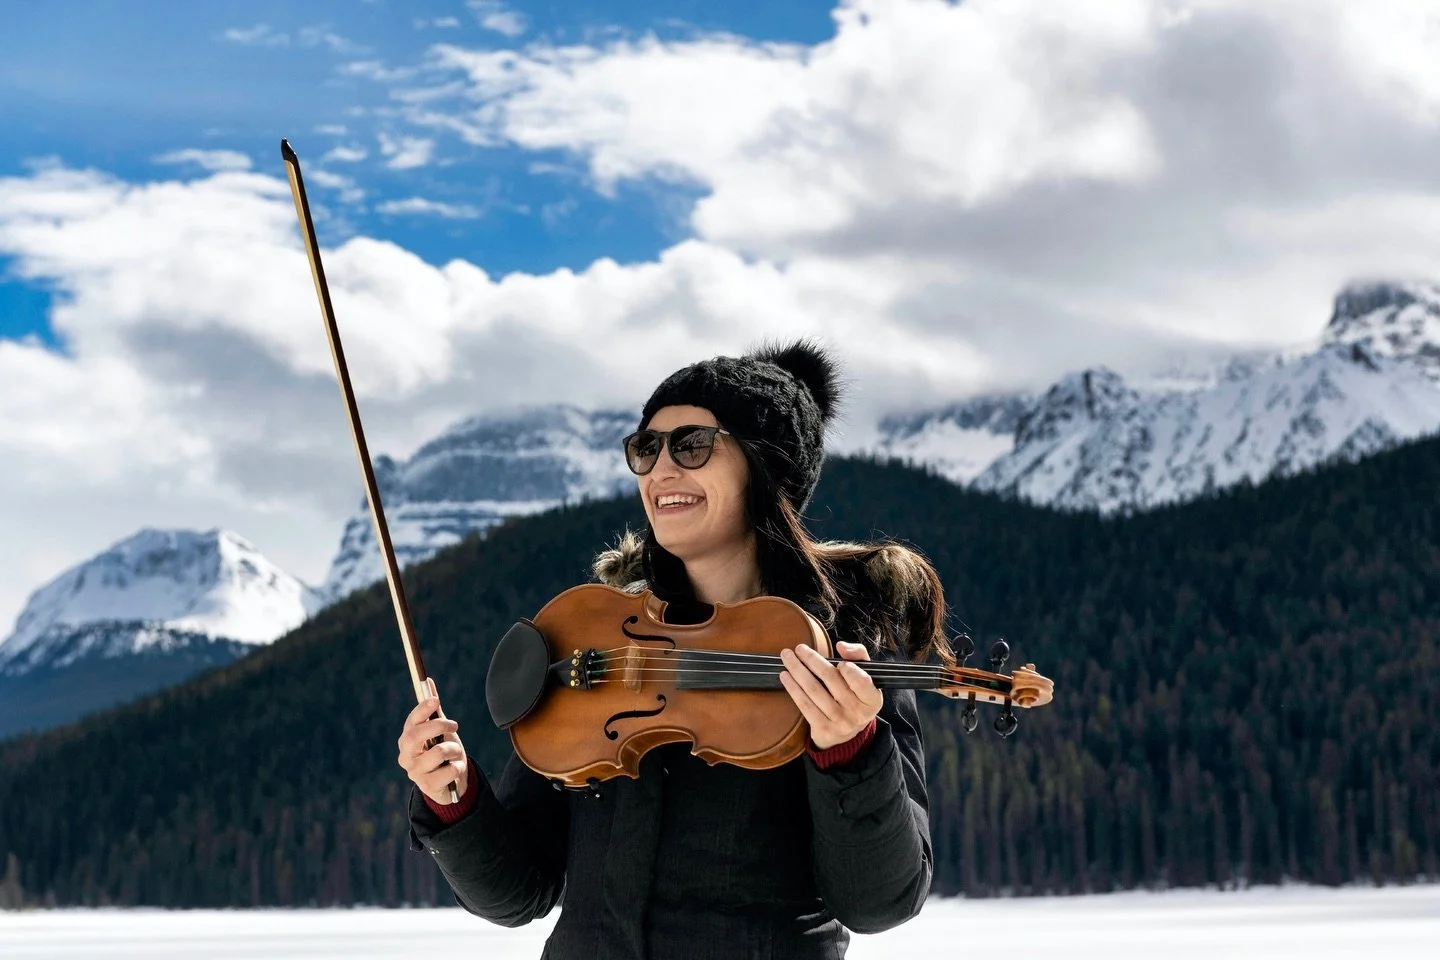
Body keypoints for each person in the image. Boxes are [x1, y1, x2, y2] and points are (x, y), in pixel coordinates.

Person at [397, 339, 955, 959]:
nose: (661, 469)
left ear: (766, 471)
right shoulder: (599, 638)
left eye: (692, 445)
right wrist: (454, 797)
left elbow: (879, 901)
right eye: (646, 448)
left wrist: (852, 752)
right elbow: (518, 891)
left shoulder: (842, 648)